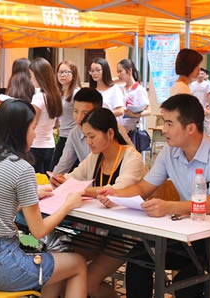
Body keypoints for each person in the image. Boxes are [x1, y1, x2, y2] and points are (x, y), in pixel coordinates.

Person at [97, 94, 210, 298]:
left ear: (191, 128)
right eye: (163, 122)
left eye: (169, 123)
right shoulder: (170, 153)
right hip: (191, 234)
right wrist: (115, 194)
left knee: (186, 284)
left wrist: (168, 207)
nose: (164, 130)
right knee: (138, 258)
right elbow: (143, 188)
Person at [0, 99, 87, 297]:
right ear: (18, 131)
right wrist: (68, 205)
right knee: (78, 263)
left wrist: (27, 197)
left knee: (54, 264)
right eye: (32, 128)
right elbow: (38, 231)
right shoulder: (21, 169)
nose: (35, 133)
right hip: (5, 266)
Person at [53, 107, 146, 297]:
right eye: (86, 137)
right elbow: (73, 178)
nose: (88, 142)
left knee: (88, 284)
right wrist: (62, 182)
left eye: (92, 136)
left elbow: (118, 190)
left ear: (110, 133)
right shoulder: (95, 157)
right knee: (61, 273)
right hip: (96, 231)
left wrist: (80, 189)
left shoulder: (132, 158)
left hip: (125, 235)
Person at [51, 88, 131, 179]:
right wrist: (53, 181)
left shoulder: (114, 130)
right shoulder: (74, 133)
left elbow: (130, 158)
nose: (79, 118)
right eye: (76, 111)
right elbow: (64, 164)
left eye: (85, 113)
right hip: (90, 184)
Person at [29, 57, 63, 174]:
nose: (30, 79)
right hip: (49, 144)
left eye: (31, 75)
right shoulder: (54, 95)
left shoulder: (39, 97)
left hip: (35, 145)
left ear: (38, 75)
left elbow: (32, 122)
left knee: (37, 182)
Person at [51, 60, 82, 168]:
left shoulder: (76, 93)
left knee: (62, 168)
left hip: (74, 136)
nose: (62, 75)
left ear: (73, 75)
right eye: (60, 72)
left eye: (66, 72)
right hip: (62, 134)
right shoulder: (59, 93)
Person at [117, 58, 151, 133]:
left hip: (133, 130)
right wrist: (117, 79)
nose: (118, 74)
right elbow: (108, 82)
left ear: (129, 71)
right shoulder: (120, 88)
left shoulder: (139, 90)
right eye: (117, 72)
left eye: (120, 71)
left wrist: (134, 115)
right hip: (120, 130)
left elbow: (148, 111)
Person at [190, 68, 210, 136]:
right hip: (195, 108)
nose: (200, 75)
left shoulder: (207, 84)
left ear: (204, 75)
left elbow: (209, 95)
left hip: (204, 107)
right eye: (199, 74)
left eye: (202, 74)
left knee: (206, 122)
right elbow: (190, 95)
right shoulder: (192, 84)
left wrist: (208, 105)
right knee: (195, 122)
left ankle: (209, 136)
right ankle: (197, 136)